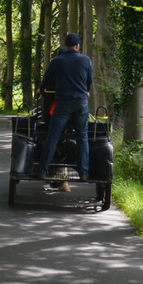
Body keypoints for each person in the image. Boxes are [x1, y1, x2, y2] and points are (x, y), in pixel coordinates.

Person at [32, 33, 93, 182]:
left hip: (63, 105)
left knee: (52, 136)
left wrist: (41, 89)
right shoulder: (86, 60)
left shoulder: (57, 61)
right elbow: (89, 81)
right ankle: (84, 173)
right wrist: (85, 92)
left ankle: (41, 170)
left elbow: (46, 79)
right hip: (81, 104)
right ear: (78, 46)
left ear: (65, 46)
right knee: (82, 137)